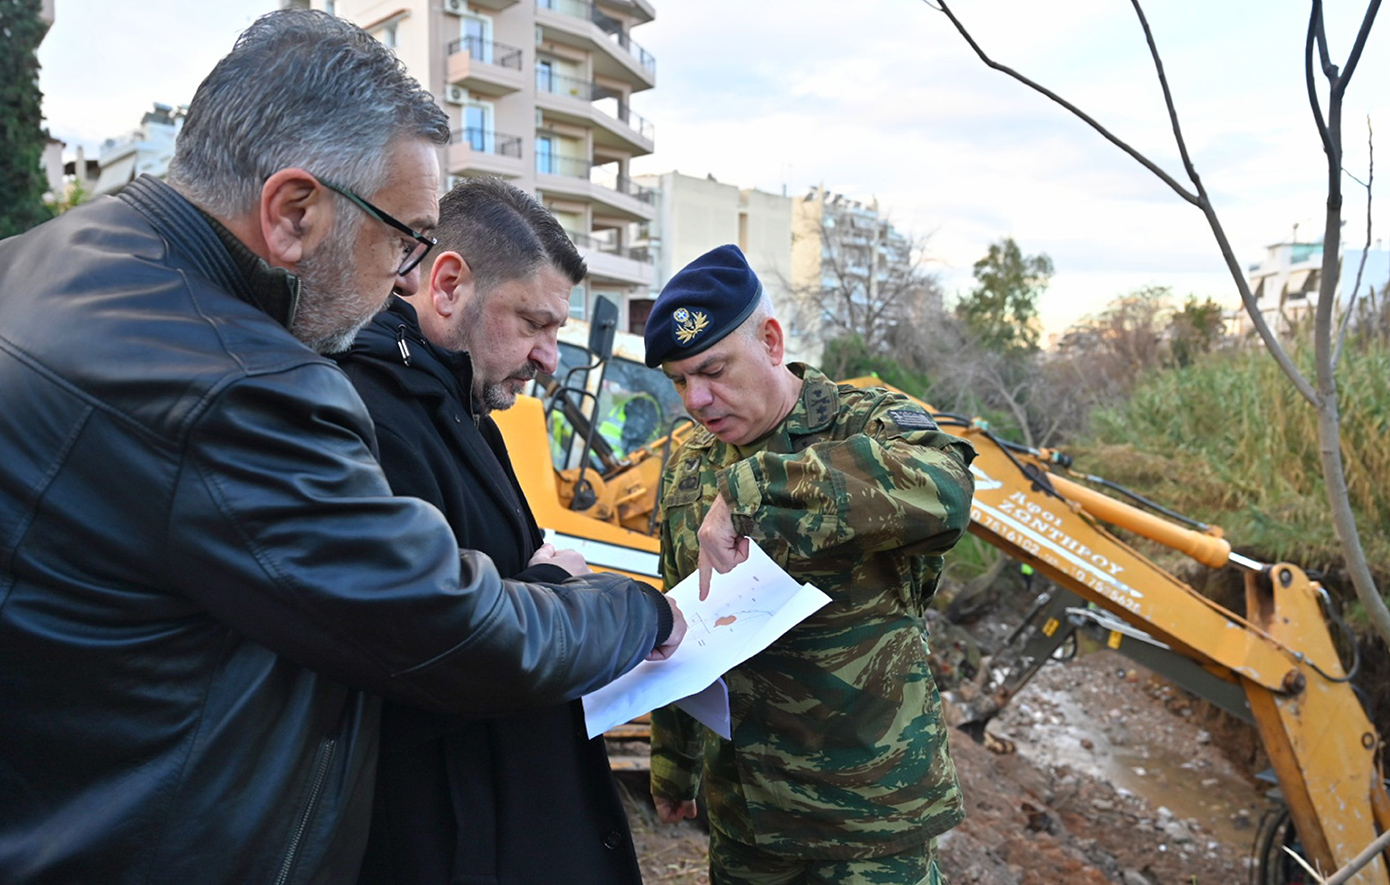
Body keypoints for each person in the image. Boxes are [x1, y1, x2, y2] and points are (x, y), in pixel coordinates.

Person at [0, 12, 682, 885]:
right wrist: (642, 612)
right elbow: (456, 631)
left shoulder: (38, 262)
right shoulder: (248, 387)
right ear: (294, 211)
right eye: (405, 236)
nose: (408, 275)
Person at [333, 176, 643, 884]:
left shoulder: (462, 404)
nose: (548, 356)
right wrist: (559, 592)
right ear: (447, 285)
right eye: (535, 323)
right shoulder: (367, 418)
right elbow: (414, 654)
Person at [643, 244, 975, 885]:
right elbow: (677, 617)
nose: (697, 399)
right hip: (745, 819)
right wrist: (673, 766)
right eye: (680, 380)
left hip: (869, 820)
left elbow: (948, 490)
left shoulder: (865, 423)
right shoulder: (689, 462)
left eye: (712, 370)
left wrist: (751, 490)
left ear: (771, 340)